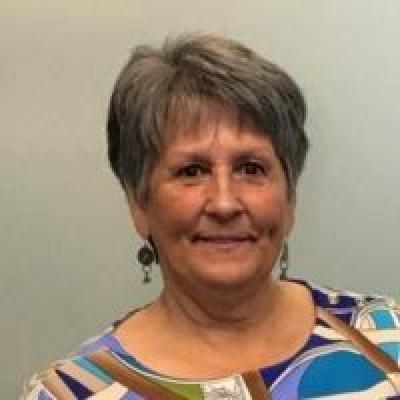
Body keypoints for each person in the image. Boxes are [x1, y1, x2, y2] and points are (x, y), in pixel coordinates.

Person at [24, 33, 400, 399]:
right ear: (139, 204)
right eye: (192, 171)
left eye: (250, 168)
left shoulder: (388, 338)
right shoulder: (69, 392)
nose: (224, 203)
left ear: (290, 199)